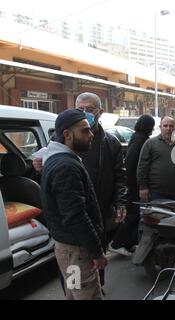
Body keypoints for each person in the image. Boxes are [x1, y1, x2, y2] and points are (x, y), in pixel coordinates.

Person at [34, 92, 127, 285]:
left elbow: (120, 177)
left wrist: (120, 202)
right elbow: (56, 181)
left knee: (93, 269)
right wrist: (41, 167)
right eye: (80, 109)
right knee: (77, 276)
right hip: (72, 222)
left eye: (90, 110)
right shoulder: (61, 141)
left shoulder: (111, 143)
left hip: (97, 214)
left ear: (100, 112)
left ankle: (94, 288)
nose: (84, 113)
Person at [40, 109, 107, 300]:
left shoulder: (56, 159)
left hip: (69, 251)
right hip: (77, 254)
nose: (91, 134)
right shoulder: (66, 167)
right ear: (67, 135)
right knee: (87, 295)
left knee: (74, 293)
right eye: (85, 131)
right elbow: (75, 216)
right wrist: (96, 252)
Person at [108, 115, 155, 256]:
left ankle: (129, 243)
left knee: (135, 214)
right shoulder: (140, 139)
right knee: (132, 214)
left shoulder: (139, 137)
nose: (153, 128)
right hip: (134, 184)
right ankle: (117, 243)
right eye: (152, 125)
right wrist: (135, 184)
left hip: (135, 183)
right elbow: (131, 161)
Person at [137, 116, 175, 202]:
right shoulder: (150, 143)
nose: (168, 128)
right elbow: (142, 167)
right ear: (160, 127)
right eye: (165, 126)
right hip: (154, 193)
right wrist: (143, 187)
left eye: (171, 126)